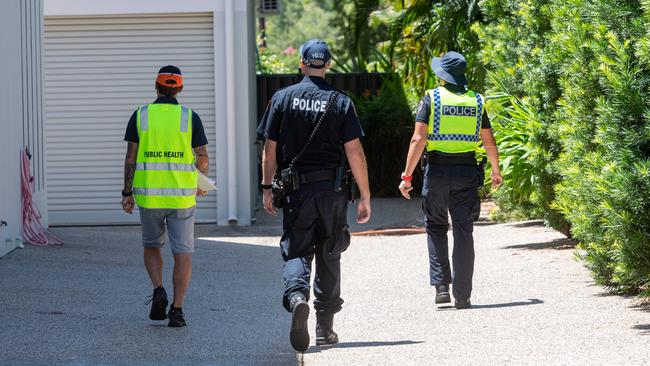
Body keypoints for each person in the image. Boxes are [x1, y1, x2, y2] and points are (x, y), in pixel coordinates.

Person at [257, 39, 371, 352]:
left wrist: (267, 188)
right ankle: (325, 329)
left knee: (296, 250)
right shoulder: (341, 101)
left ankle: (296, 297)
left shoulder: (282, 98)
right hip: (333, 191)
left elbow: (269, 149)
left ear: (303, 63)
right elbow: (354, 151)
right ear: (328, 65)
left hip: (297, 192)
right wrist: (365, 194)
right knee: (330, 253)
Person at [398, 51, 502, 309]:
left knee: (435, 226)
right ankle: (463, 295)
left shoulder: (431, 98)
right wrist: (496, 170)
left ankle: (441, 287)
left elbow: (418, 139)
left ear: (442, 75)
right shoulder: (477, 101)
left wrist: (407, 175)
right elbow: (489, 140)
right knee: (464, 231)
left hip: (438, 171)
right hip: (467, 171)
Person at [121, 65, 209, 327]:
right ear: (179, 88)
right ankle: (177, 310)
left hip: (150, 197)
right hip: (182, 197)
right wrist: (200, 181)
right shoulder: (189, 117)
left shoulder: (141, 115)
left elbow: (131, 158)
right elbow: (202, 158)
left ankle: (159, 288)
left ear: (156, 87)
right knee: (183, 253)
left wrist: (127, 192)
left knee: (151, 246)